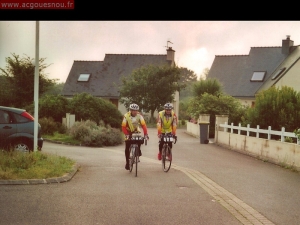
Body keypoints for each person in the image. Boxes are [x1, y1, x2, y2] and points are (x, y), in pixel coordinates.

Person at [121, 103, 149, 170]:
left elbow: (144, 125)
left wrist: (146, 134)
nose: (135, 112)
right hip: (128, 132)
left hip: (136, 131)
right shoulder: (126, 116)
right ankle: (127, 163)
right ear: (130, 110)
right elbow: (123, 126)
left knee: (139, 139)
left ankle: (138, 150)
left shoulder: (139, 116)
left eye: (136, 110)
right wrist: (126, 134)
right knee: (127, 146)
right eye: (133, 110)